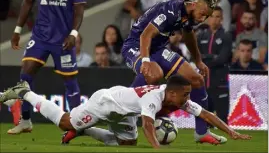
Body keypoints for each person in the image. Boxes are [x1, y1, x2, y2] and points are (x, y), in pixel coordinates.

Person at [0, 76, 252, 149]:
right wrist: (156, 147)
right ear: (172, 93)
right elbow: (147, 124)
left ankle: (83, 132)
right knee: (66, 122)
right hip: (106, 103)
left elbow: (205, 114)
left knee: (127, 143)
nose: (188, 99)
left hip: (122, 113)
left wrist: (232, 131)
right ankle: (25, 92)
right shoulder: (155, 98)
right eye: (185, 95)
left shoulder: (176, 98)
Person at [121, 0, 227, 144]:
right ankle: (125, 116)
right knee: (153, 74)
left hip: (158, 49)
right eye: (202, 13)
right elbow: (145, 35)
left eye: (207, 16)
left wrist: (198, 60)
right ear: (194, 4)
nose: (203, 19)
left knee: (196, 80)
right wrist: (145, 60)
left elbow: (189, 36)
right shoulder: (171, 10)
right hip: (136, 45)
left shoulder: (190, 15)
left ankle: (202, 132)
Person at [9, 0, 86, 134]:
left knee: (70, 80)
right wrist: (17, 29)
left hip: (63, 39)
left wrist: (73, 34)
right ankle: (25, 120)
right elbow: (28, 1)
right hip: (40, 37)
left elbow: (79, 8)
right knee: (25, 76)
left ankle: (77, 124)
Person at [196, 6, 232, 123]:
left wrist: (205, 58)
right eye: (211, 16)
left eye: (217, 17)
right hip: (204, 81)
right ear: (207, 18)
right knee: (204, 117)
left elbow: (222, 59)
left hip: (220, 82)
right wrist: (212, 56)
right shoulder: (201, 36)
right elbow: (196, 57)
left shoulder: (226, 36)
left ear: (221, 19)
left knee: (222, 117)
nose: (214, 19)